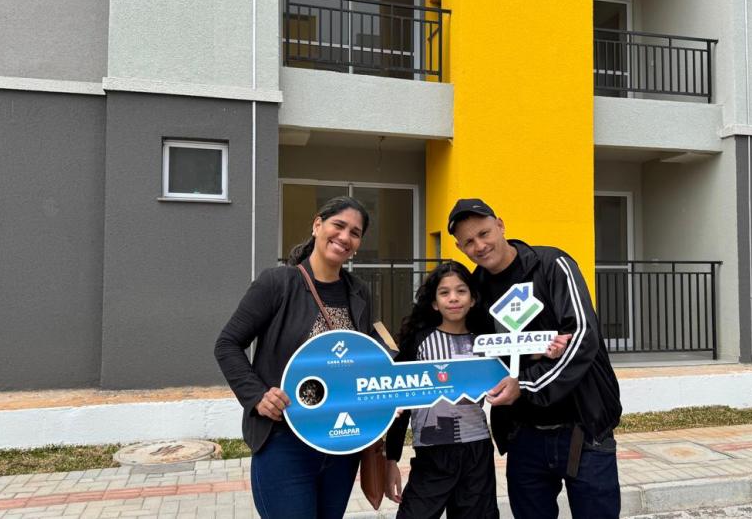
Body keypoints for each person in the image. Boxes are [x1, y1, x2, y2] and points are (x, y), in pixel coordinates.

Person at [447, 198, 623, 519]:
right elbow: (483, 352)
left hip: (584, 428)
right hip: (523, 435)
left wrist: (526, 384)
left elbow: (582, 336)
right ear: (460, 248)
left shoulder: (552, 264)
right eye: (469, 242)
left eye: (484, 233)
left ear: (500, 225)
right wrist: (536, 349)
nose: (480, 246)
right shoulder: (475, 290)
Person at [214, 196, 372, 519]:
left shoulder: (359, 292)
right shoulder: (278, 283)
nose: (345, 237)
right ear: (317, 225)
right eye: (338, 225)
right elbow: (227, 344)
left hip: (340, 444)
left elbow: (363, 359)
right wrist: (257, 396)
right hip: (284, 442)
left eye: (355, 233)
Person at [384, 261, 569, 519]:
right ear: (434, 303)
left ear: (472, 299)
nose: (453, 298)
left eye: (461, 291)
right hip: (431, 453)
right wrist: (391, 459)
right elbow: (401, 399)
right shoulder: (418, 342)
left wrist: (547, 351)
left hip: (477, 452)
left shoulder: (488, 342)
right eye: (444, 292)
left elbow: (518, 362)